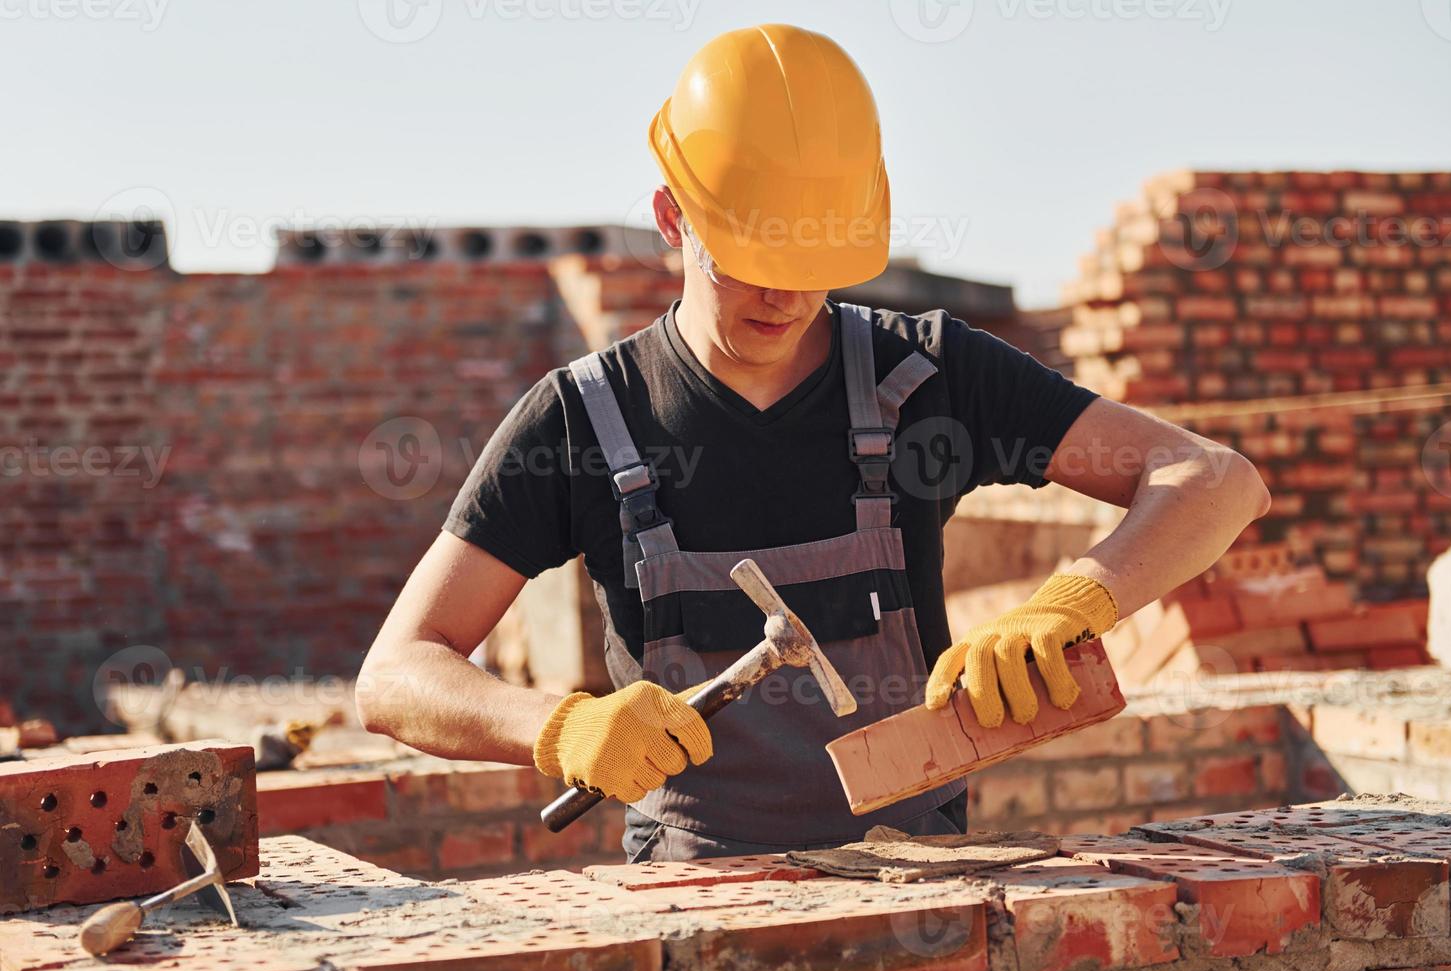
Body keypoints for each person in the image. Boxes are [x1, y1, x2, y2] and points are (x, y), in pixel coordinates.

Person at [356, 24, 1270, 862]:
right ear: (674, 217)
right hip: (695, 905)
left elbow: (1213, 481)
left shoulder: (929, 377)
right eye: (753, 259)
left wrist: (1071, 606)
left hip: (919, 888)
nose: (787, 301)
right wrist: (557, 727)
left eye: (815, 266)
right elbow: (397, 674)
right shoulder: (585, 422)